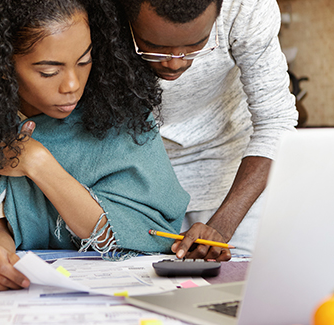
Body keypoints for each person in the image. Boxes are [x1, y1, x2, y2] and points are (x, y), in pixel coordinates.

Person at [0, 0, 189, 292]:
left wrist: (39, 164)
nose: (72, 84)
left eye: (84, 61)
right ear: (1, 66)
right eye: (49, 71)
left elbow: (149, 233)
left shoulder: (123, 114)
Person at [117, 0, 298, 260]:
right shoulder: (98, 10)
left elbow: (276, 122)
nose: (175, 64)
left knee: (236, 289)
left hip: (230, 174)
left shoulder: (245, 6)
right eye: (156, 48)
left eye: (195, 46)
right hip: (134, 176)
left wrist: (220, 228)